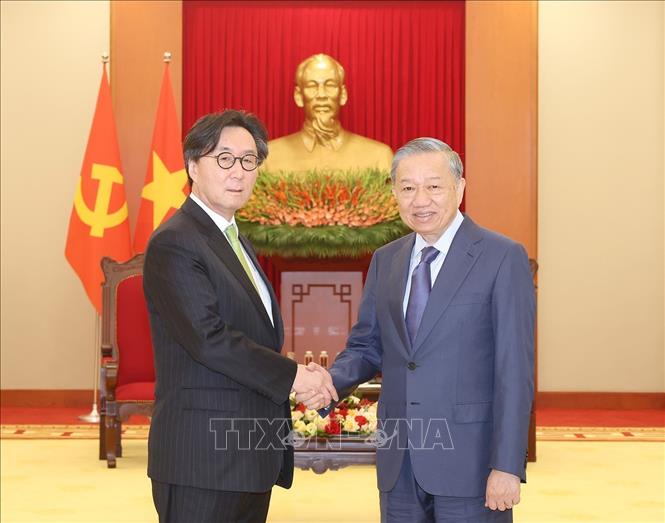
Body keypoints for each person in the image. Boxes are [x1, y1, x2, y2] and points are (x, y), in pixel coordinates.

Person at [300, 138, 535, 522]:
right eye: (407, 188)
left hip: (471, 463)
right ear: (394, 193)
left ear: (460, 188)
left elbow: (514, 370)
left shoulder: (501, 256)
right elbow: (367, 346)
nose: (420, 200)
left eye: (434, 186)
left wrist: (507, 465)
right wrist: (329, 381)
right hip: (400, 463)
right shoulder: (386, 260)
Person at [143, 109, 337, 523]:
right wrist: (295, 377)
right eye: (224, 158)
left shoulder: (233, 238)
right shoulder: (176, 241)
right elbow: (208, 339)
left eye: (249, 160)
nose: (238, 172)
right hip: (202, 460)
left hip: (248, 456)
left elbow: (253, 335)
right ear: (193, 166)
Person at [261, 53, 393, 173]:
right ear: (298, 96)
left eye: (330, 85)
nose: (322, 95)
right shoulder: (269, 157)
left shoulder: (379, 157)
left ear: (343, 94)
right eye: (312, 86)